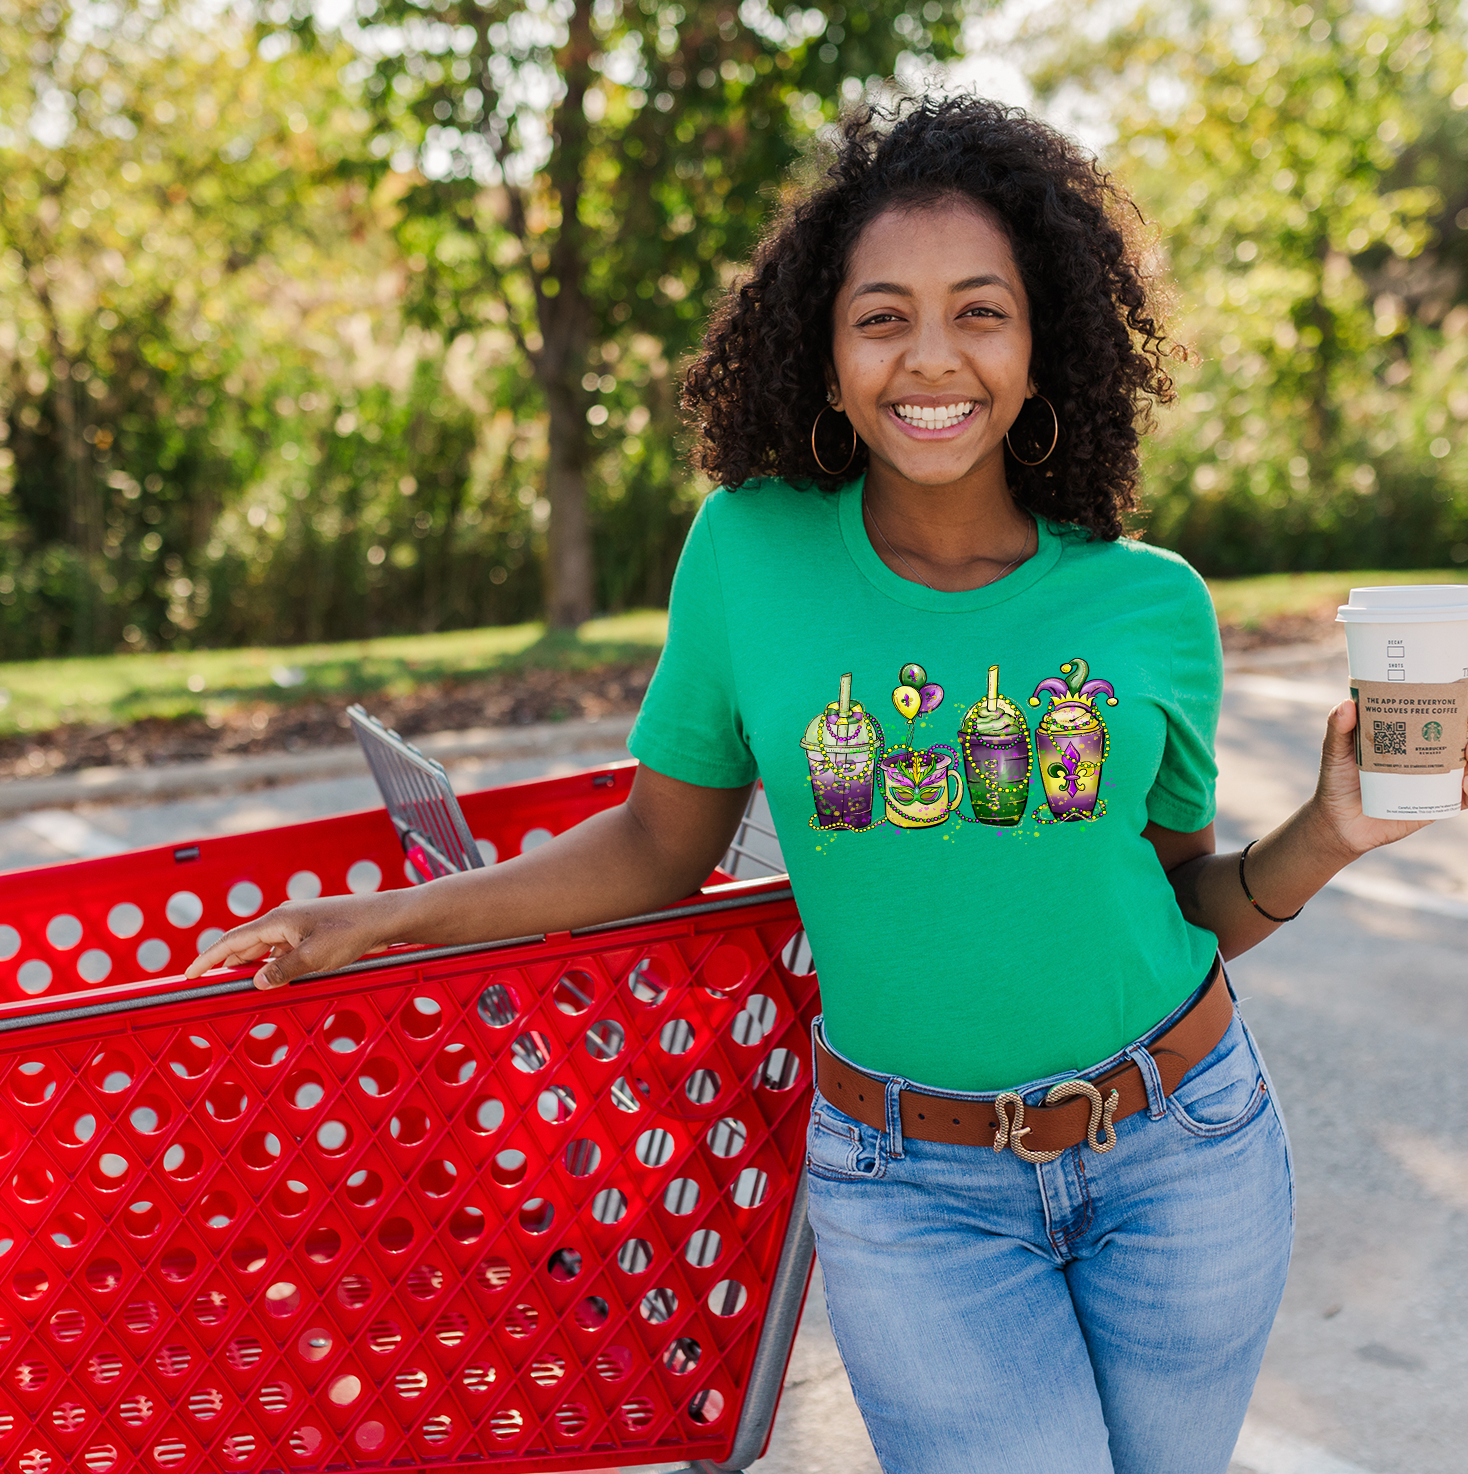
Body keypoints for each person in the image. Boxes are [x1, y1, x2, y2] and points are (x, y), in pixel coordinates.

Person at [188, 96, 1458, 1474]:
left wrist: (1333, 829)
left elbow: (1182, 900)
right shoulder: (748, 553)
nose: (932, 357)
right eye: (882, 316)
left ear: (1043, 347)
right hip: (919, 1189)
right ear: (828, 348)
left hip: (1188, 1151)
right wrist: (370, 920)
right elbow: (654, 845)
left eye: (981, 311)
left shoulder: (1151, 606)